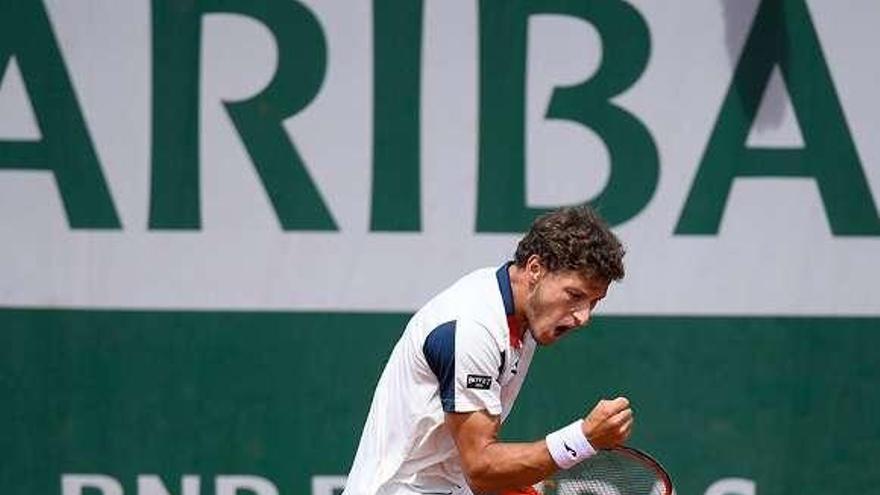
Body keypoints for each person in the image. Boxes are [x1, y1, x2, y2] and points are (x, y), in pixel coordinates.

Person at [342, 205, 633, 495]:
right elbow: (481, 466)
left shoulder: (524, 313)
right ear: (535, 269)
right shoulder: (473, 328)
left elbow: (470, 459)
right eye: (575, 295)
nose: (583, 317)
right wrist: (582, 439)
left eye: (593, 302)